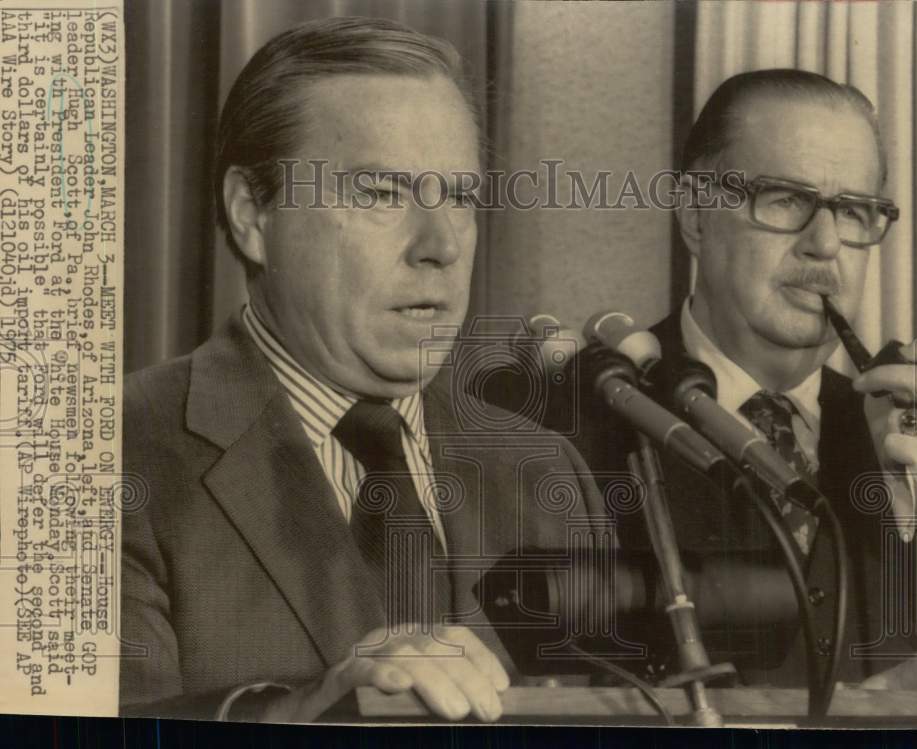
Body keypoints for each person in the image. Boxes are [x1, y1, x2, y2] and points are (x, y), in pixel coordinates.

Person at [120, 17, 605, 722]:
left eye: (461, 197)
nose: (440, 245)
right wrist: (314, 707)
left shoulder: (548, 472)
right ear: (253, 213)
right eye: (381, 194)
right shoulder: (100, 454)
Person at [570, 69, 917, 690]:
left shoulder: (914, 442)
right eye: (786, 199)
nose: (825, 245)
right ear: (694, 216)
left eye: (852, 210)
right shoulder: (575, 420)